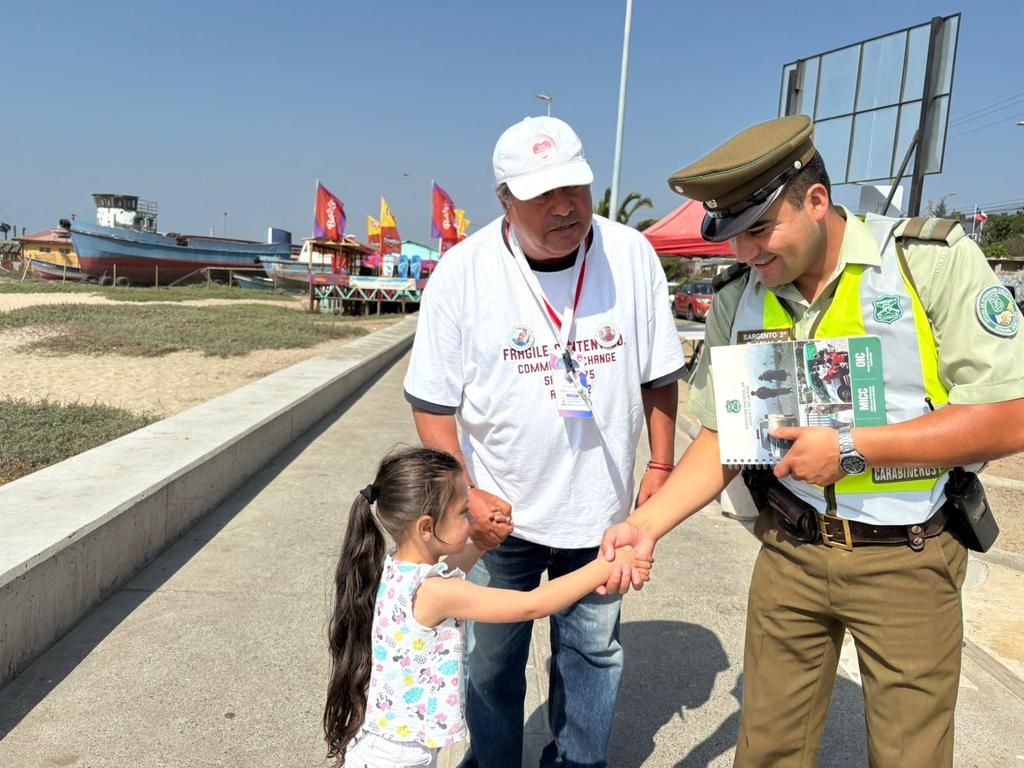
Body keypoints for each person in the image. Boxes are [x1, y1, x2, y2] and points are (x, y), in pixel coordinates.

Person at [599, 114, 1024, 767]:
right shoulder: (739, 299)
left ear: (817, 201)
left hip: (908, 559)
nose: (747, 253)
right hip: (790, 555)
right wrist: (647, 524)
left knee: (912, 756)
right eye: (734, 236)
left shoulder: (922, 263)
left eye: (761, 230)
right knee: (768, 750)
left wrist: (852, 447)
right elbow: (725, 435)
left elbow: (1010, 413)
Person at [403, 115, 686, 768]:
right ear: (504, 199)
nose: (566, 207)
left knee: (591, 654)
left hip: (603, 513)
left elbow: (660, 374)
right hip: (498, 516)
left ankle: (577, 763)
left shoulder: (631, 256)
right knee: (489, 662)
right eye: (543, 195)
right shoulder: (463, 273)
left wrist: (662, 463)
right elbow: (432, 403)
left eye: (575, 188)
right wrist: (464, 494)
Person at [323, 447, 650, 768]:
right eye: (464, 511)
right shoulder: (435, 592)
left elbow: (455, 564)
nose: (471, 517)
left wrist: (480, 542)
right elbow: (531, 605)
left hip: (386, 744)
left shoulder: (396, 567)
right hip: (400, 758)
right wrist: (605, 567)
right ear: (426, 527)